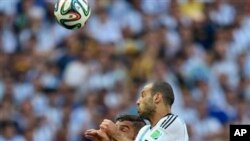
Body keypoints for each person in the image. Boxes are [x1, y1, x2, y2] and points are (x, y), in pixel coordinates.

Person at [98, 81, 189, 141]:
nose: (138, 101)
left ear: (157, 98)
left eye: (143, 95)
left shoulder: (173, 122)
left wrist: (116, 134)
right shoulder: (144, 130)